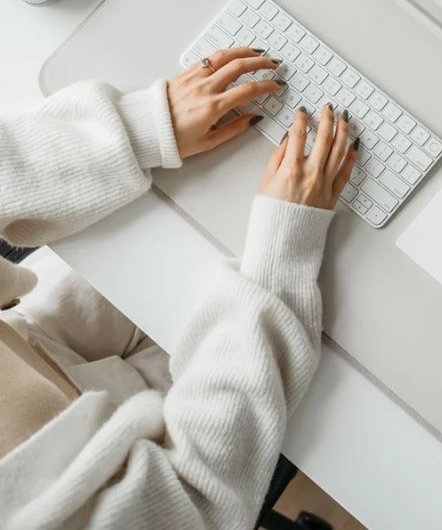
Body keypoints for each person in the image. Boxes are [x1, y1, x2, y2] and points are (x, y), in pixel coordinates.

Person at [0, 46, 357, 530]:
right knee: (354, 332)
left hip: (38, 348)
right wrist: (280, 260)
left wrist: (140, 128)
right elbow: (194, 499)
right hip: (138, 476)